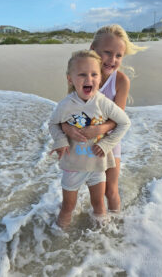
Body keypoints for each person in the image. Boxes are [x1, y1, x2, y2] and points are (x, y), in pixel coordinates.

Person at [61, 24, 142, 211]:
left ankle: (116, 228)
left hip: (109, 142)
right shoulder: (82, 75)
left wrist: (99, 129)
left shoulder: (120, 81)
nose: (112, 60)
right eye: (107, 52)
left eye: (119, 55)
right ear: (93, 50)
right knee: (79, 187)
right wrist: (67, 129)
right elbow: (68, 111)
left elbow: (118, 119)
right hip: (82, 143)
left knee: (110, 190)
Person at [49, 50, 131, 228]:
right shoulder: (65, 105)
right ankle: (58, 238)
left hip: (97, 166)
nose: (89, 79)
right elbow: (53, 124)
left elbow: (124, 122)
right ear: (70, 79)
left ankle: (101, 241)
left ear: (100, 78)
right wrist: (61, 141)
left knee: (99, 205)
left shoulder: (103, 103)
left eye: (94, 74)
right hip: (73, 166)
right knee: (67, 207)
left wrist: (107, 143)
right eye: (82, 75)